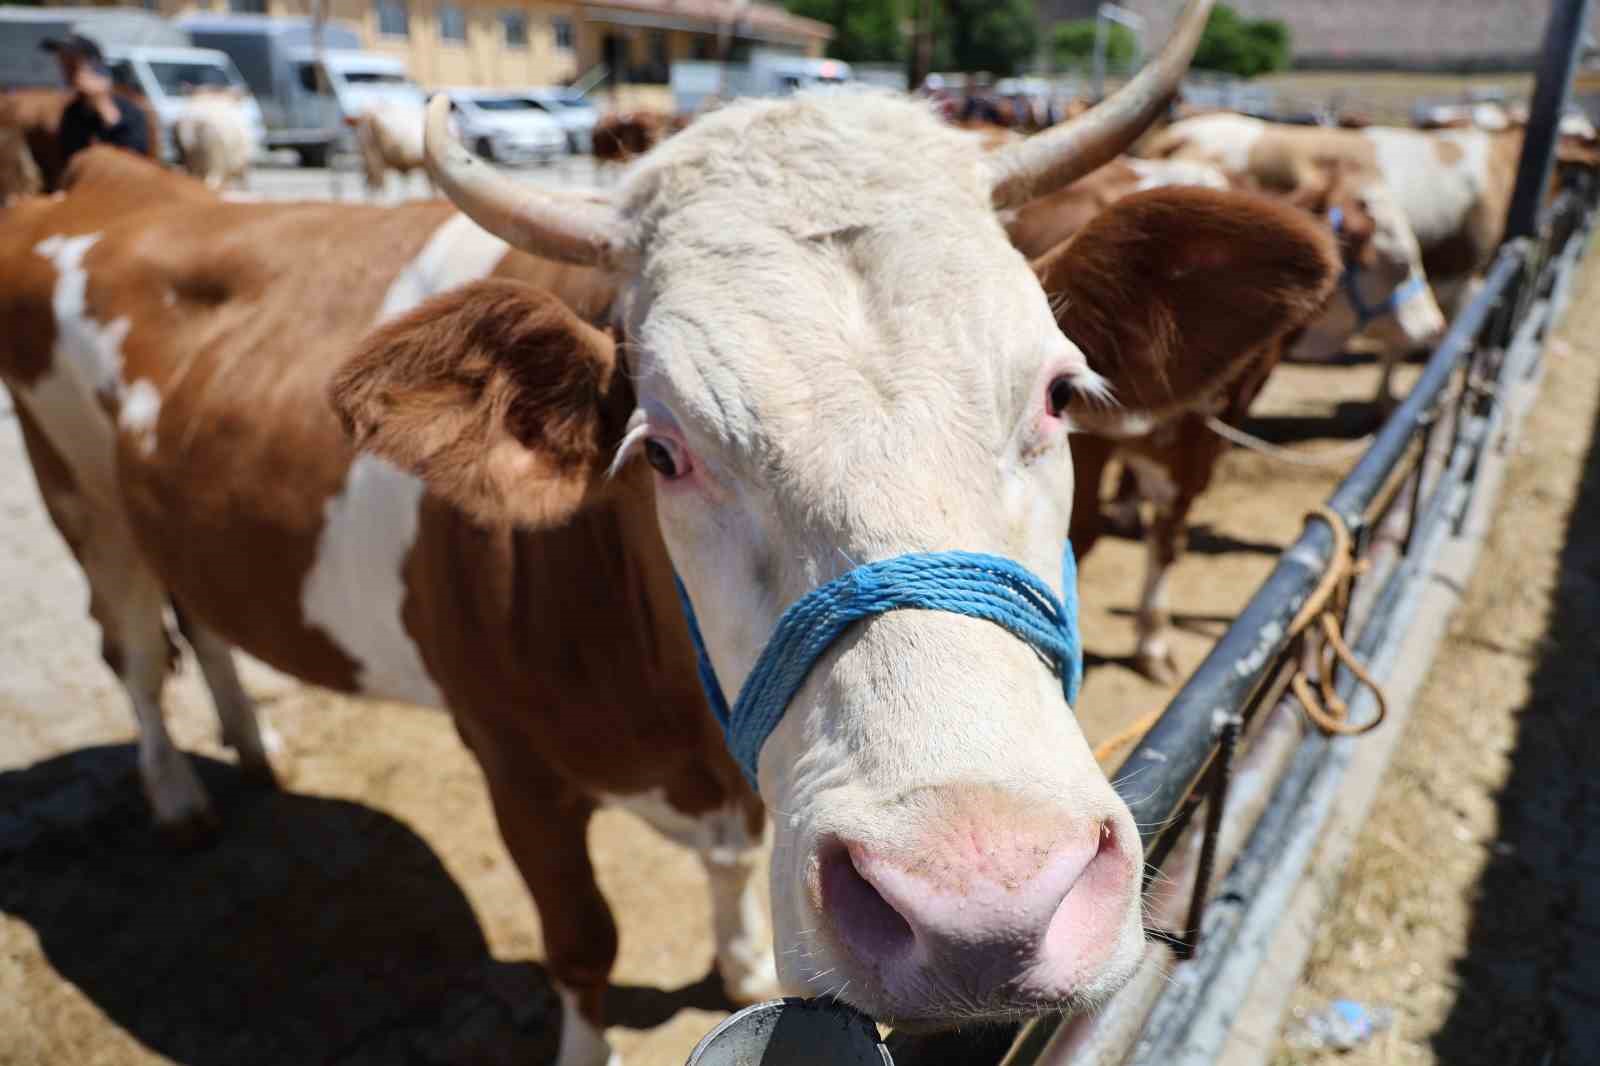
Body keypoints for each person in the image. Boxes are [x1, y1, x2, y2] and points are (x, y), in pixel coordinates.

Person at [41, 34, 150, 166]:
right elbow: (69, 159)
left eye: (73, 62)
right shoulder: (72, 112)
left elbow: (134, 158)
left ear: (94, 66)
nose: (66, 69)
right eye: (63, 62)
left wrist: (103, 106)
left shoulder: (130, 111)